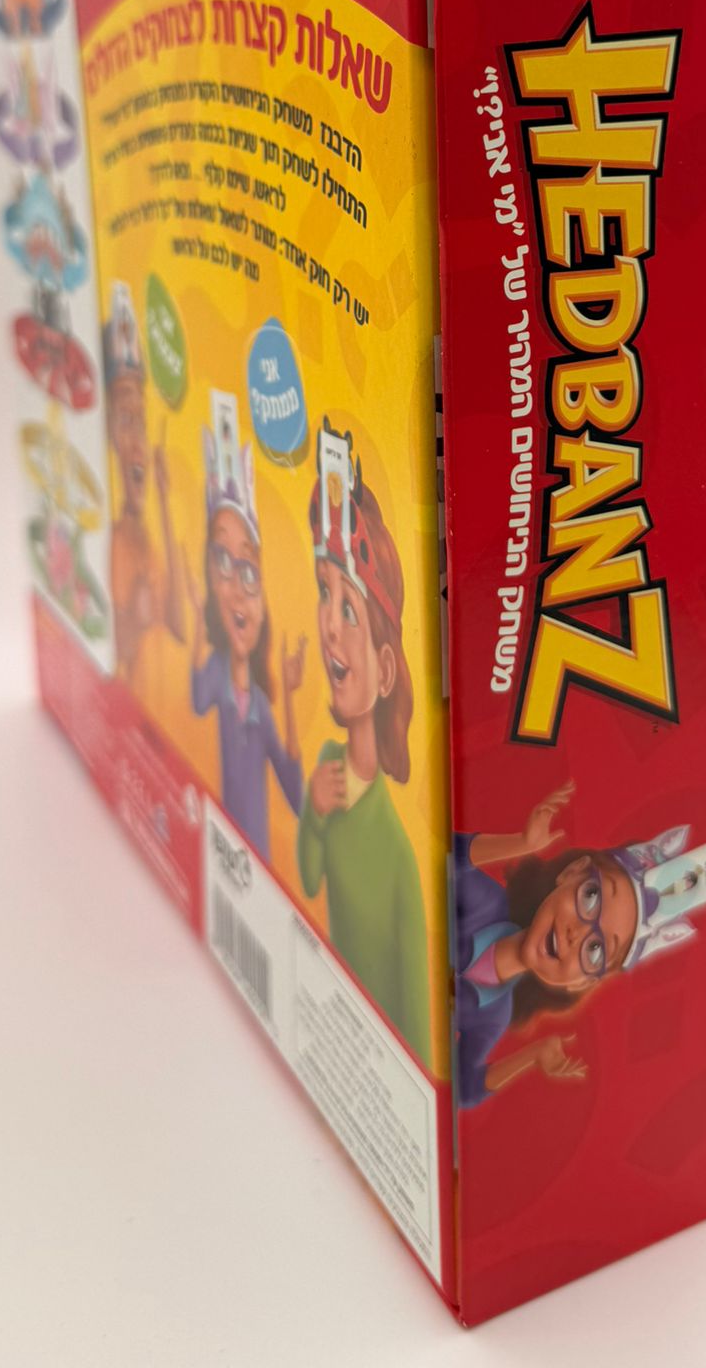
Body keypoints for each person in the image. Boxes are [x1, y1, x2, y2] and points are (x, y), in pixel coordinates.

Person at [453, 785, 706, 1109]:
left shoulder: (494, 1015)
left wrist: (533, 1055)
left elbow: (464, 1088)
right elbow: (441, 855)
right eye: (591, 897)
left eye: (595, 950)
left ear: (582, 982)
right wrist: (521, 844)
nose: (576, 934)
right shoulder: (484, 904)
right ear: (572, 873)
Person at [297, 422, 431, 1067]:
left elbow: (419, 1024)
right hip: (334, 1030)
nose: (327, 624)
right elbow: (307, 876)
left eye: (347, 608)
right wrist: (315, 815)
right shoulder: (326, 768)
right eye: (324, 593)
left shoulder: (402, 857)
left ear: (385, 670)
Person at [184, 391, 304, 853]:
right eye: (221, 563)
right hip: (223, 845)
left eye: (248, 570)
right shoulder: (216, 675)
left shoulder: (261, 709)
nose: (236, 587)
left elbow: (295, 793)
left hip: (258, 860)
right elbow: (197, 700)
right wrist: (197, 621)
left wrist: (288, 695)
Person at [103, 282, 182, 697]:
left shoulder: (148, 541)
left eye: (142, 421)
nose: (138, 444)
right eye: (126, 421)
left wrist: (166, 504)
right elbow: (116, 646)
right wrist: (135, 616)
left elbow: (180, 627)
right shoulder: (114, 542)